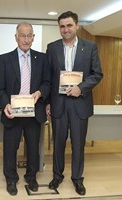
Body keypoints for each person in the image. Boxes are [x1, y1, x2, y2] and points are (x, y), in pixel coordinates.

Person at [46, 11, 103, 196]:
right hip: (58, 104)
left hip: (80, 103)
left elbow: (97, 74)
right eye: (62, 26)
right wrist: (47, 102)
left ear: (77, 26)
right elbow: (49, 78)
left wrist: (81, 87)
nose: (66, 29)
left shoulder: (90, 47)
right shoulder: (52, 48)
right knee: (58, 144)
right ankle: (57, 175)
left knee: (78, 144)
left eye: (69, 25)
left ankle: (77, 179)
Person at [0, 22, 50, 196]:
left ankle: (31, 176)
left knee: (33, 147)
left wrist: (40, 93)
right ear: (16, 37)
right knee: (10, 148)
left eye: (29, 35)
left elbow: (47, 82)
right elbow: (0, 89)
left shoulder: (42, 58)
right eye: (22, 35)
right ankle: (11, 179)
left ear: (33, 37)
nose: (26, 39)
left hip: (34, 112)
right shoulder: (4, 59)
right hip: (13, 113)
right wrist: (5, 104)